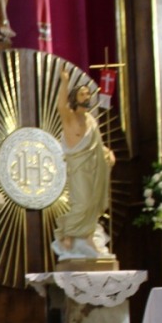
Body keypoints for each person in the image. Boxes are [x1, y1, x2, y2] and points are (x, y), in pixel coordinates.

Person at [54, 66, 114, 260]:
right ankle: (67, 238)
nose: (86, 96)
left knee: (92, 204)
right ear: (74, 98)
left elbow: (97, 145)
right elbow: (61, 106)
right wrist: (64, 82)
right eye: (82, 94)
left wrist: (107, 154)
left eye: (88, 93)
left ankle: (87, 238)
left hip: (93, 168)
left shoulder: (91, 120)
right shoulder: (70, 118)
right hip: (78, 168)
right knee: (81, 204)